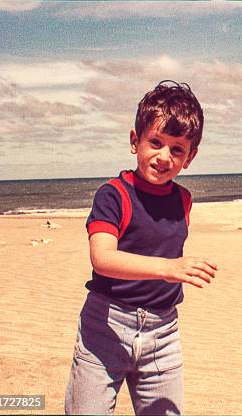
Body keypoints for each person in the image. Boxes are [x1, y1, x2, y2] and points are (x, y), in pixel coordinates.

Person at [65, 80, 218, 415]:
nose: (164, 157)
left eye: (177, 150)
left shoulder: (183, 199)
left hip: (163, 332)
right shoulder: (113, 195)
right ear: (136, 142)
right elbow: (102, 258)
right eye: (156, 143)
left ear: (189, 158)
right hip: (106, 325)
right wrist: (168, 268)